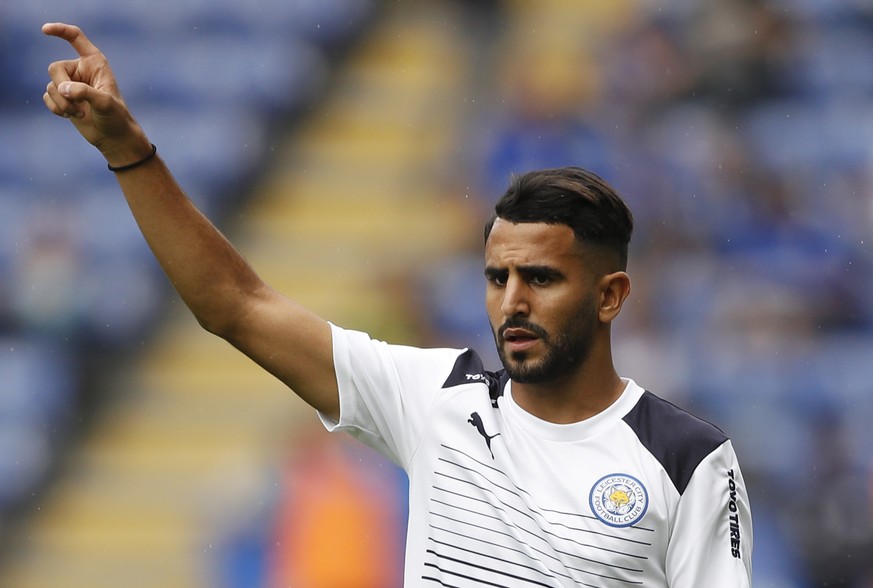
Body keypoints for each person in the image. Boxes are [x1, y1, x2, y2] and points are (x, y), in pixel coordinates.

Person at [41, 22, 753, 587]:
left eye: (540, 279)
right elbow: (234, 305)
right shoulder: (436, 399)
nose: (510, 303)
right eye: (495, 277)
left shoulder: (689, 459)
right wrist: (128, 153)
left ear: (609, 295)